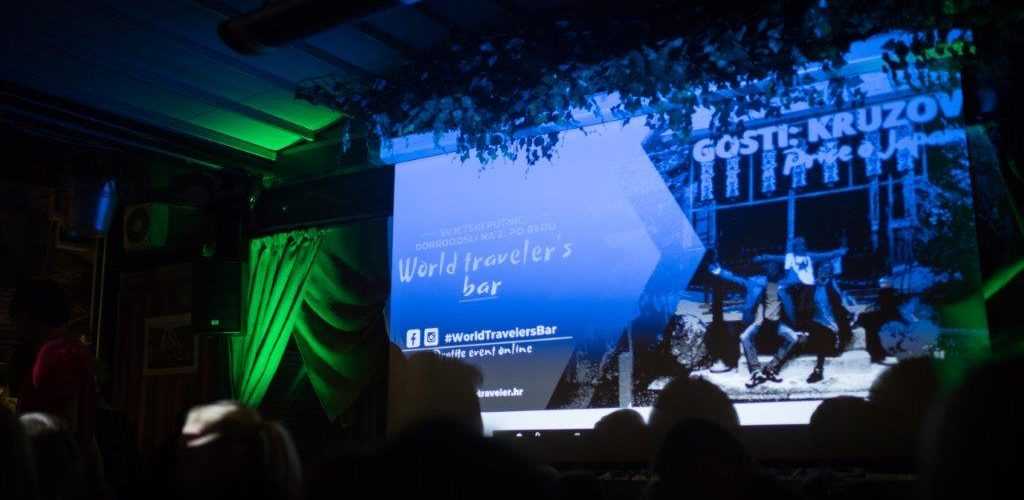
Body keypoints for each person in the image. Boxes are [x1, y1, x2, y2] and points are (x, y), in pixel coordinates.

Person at [708, 261, 807, 388]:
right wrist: (720, 272)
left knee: (793, 337)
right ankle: (756, 372)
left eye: (775, 268)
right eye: (769, 267)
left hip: (776, 324)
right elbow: (736, 278)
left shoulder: (784, 285)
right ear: (766, 270)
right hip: (758, 323)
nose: (772, 270)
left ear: (779, 272)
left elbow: (799, 282)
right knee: (744, 337)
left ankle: (771, 368)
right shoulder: (755, 282)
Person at [754, 237, 847, 331]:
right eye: (798, 245)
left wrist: (838, 252)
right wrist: (762, 258)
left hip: (807, 288)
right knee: (792, 306)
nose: (801, 247)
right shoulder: (790, 258)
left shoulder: (809, 256)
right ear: (794, 247)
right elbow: (774, 257)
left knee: (806, 307)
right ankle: (794, 326)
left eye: (802, 245)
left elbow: (826, 255)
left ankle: (805, 327)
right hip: (792, 287)